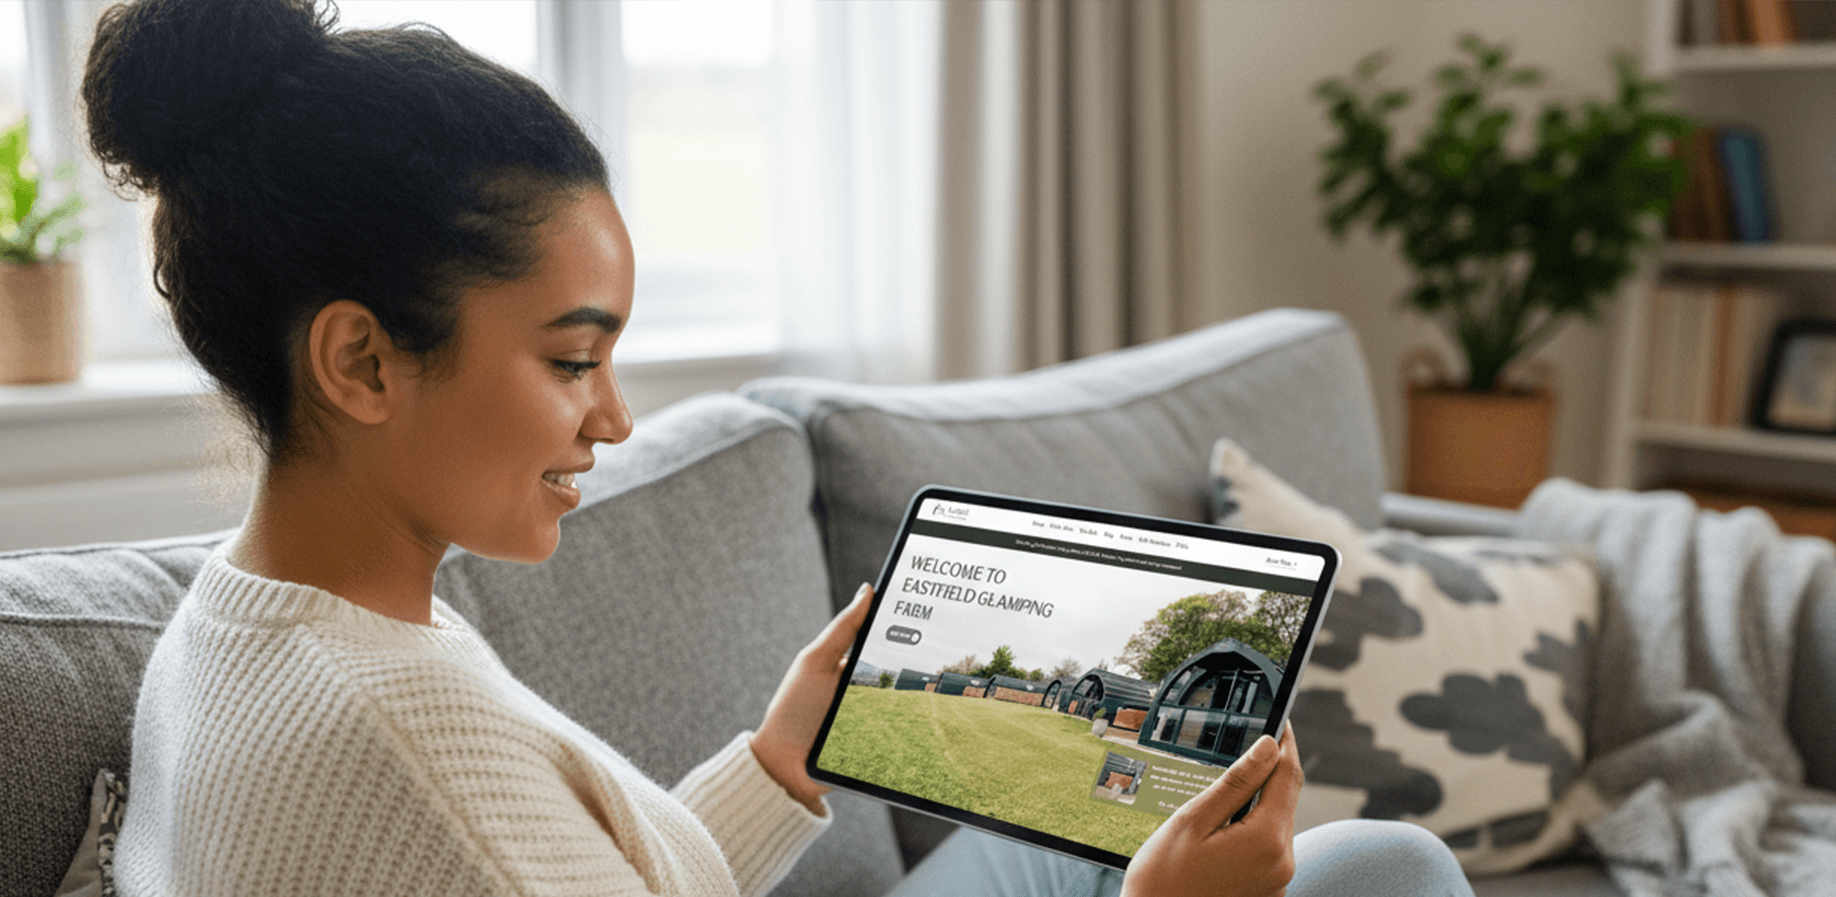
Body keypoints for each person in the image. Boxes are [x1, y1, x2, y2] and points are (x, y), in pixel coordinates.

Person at [79, 1, 1477, 895]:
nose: (611, 419)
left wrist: (784, 756)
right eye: (572, 360)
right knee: (1384, 869)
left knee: (1069, 821)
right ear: (363, 360)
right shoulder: (391, 742)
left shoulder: (262, 626)